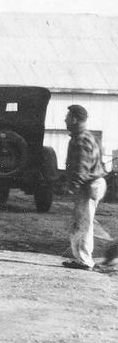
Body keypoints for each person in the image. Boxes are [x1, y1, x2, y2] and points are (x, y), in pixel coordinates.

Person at [60, 104, 115, 270]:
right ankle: (82, 259)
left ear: (74, 119)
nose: (65, 120)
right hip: (93, 184)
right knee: (84, 222)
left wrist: (70, 188)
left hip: (88, 186)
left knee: (83, 223)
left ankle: (84, 261)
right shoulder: (87, 136)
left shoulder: (80, 139)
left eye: (67, 117)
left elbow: (80, 168)